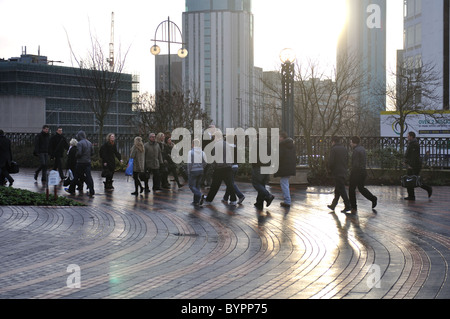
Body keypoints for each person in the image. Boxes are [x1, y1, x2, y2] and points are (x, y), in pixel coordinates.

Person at [204, 131, 237, 206]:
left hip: (219, 168)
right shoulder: (226, 144)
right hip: (228, 167)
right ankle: (233, 200)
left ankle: (209, 199)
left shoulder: (216, 145)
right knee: (230, 184)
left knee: (215, 185)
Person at [349, 136, 377, 213]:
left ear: (354, 142)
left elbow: (355, 164)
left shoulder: (356, 151)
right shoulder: (362, 149)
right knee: (361, 188)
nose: (350, 144)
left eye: (351, 142)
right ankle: (373, 198)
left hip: (356, 172)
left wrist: (352, 172)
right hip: (362, 171)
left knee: (351, 189)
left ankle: (353, 206)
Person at [404, 131, 432, 200]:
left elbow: (414, 157)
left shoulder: (415, 145)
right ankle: (411, 196)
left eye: (408, 136)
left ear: (411, 136)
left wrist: (411, 165)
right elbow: (409, 155)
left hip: (415, 166)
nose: (407, 137)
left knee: (414, 180)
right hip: (412, 165)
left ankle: (428, 188)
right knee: (410, 180)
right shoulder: (411, 144)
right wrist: (406, 161)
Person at [65, 131, 95, 196]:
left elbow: (79, 153)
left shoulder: (80, 143)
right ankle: (92, 190)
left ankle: (71, 189)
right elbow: (92, 153)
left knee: (76, 176)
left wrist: (77, 156)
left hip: (81, 162)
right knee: (89, 176)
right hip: (88, 162)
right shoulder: (89, 143)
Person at [327, 136, 351, 213]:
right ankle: (333, 205)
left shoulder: (333, 149)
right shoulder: (344, 149)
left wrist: (329, 169)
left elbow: (331, 162)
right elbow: (348, 160)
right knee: (338, 188)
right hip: (343, 171)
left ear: (333, 141)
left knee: (341, 189)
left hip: (337, 171)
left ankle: (348, 205)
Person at [252, 133, 275, 211]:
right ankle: (259, 203)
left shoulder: (256, 144)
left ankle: (268, 196)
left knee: (256, 183)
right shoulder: (268, 144)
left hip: (259, 166)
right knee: (262, 184)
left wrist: (253, 165)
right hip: (267, 166)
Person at [274, 131, 296, 207]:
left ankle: (287, 201)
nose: (278, 138)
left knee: (284, 183)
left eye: (279, 137)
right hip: (290, 167)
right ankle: (287, 200)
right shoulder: (291, 145)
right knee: (285, 182)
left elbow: (279, 156)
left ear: (282, 138)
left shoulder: (282, 145)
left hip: (284, 167)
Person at [222, 136, 245, 205]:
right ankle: (225, 198)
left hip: (230, 167)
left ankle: (240, 195)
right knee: (230, 182)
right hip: (236, 166)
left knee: (230, 183)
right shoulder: (236, 148)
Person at [187, 139, 207, 206]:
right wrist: (202, 167)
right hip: (200, 170)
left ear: (192, 144)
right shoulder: (202, 152)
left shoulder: (191, 152)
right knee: (197, 185)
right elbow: (205, 162)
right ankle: (196, 201)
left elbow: (189, 163)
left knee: (191, 186)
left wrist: (189, 171)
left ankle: (200, 195)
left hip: (193, 170)